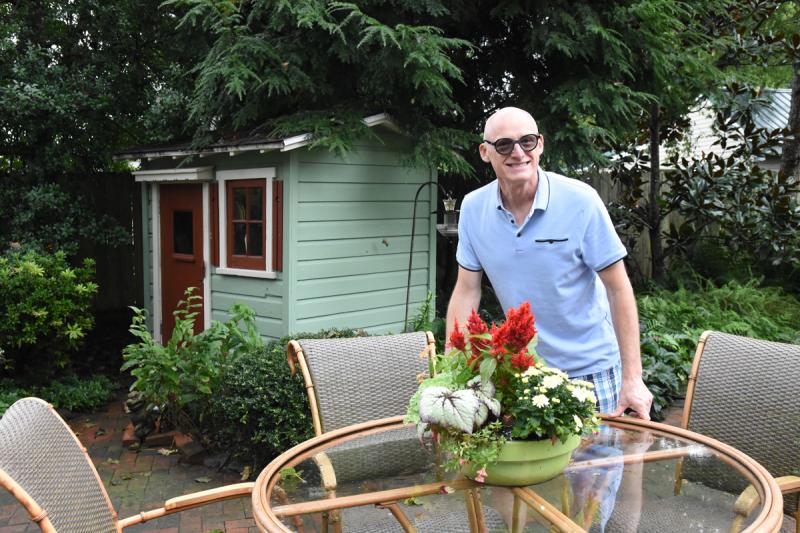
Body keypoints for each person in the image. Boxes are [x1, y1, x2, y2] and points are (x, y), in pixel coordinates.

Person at [448, 106, 653, 531]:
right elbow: (467, 290)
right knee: (510, 487)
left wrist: (633, 378)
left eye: (527, 141)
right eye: (504, 144)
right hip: (523, 375)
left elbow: (619, 289)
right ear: (485, 152)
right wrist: (454, 369)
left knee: (589, 501)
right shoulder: (472, 208)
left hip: (591, 373)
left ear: (540, 145)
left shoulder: (580, 201)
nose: (517, 152)